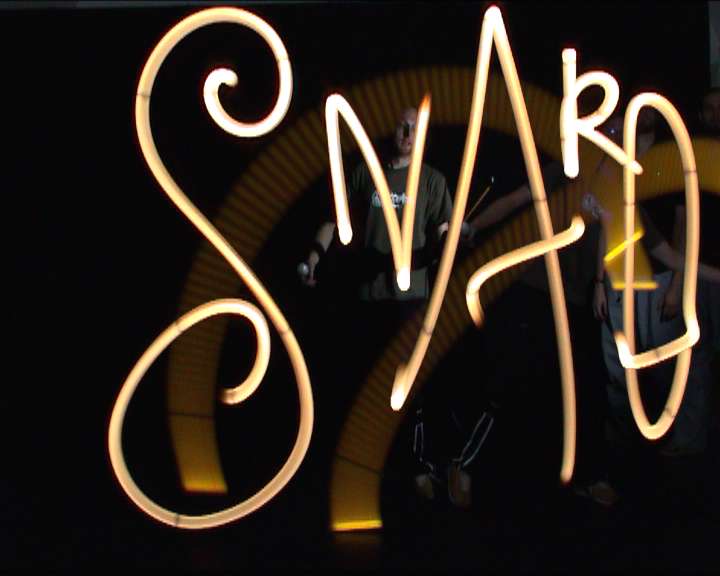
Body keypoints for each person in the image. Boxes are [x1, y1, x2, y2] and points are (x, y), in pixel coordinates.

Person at [299, 106, 454, 502]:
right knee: (365, 385)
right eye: (402, 126)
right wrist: (314, 256)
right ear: (392, 128)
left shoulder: (432, 181)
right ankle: (367, 466)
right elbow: (334, 219)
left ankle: (417, 467)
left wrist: (451, 241)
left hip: (411, 300)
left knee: (409, 388)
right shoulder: (366, 173)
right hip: (369, 297)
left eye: (414, 128)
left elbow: (444, 230)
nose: (407, 133)